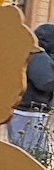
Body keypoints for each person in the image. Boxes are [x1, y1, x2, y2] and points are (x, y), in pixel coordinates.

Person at [9, 24, 54, 155]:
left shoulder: (30, 53)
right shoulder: (39, 57)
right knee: (34, 156)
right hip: (29, 115)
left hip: (26, 113)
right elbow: (45, 83)